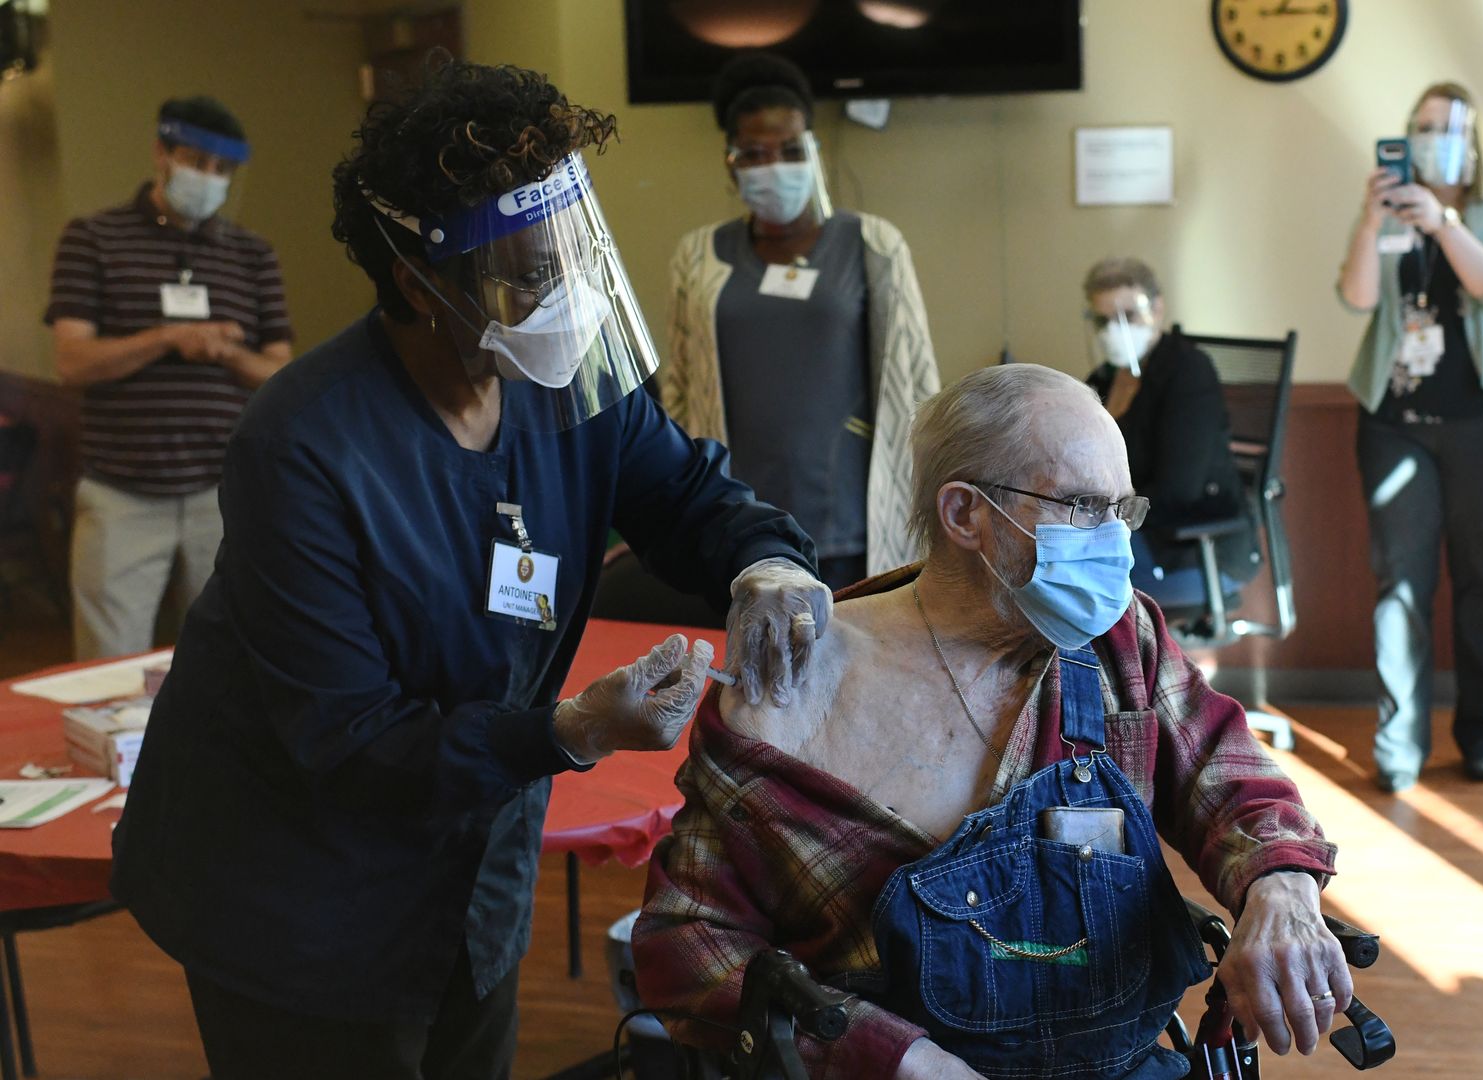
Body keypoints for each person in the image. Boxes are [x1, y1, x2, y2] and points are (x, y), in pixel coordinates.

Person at [111, 57, 833, 1079]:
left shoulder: (567, 384)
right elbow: (350, 743)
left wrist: (768, 565)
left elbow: (685, 496)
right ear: (419, 282)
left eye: (578, 258)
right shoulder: (307, 448)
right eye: (533, 275)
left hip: (474, 859)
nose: (570, 298)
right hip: (296, 890)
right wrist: (572, 729)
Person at [633, 365, 1346, 1080]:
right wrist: (891, 1058)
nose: (1117, 546)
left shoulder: (1119, 642)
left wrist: (1281, 890)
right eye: (1083, 506)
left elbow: (1233, 780)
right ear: (964, 514)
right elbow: (685, 943)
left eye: (1122, 511)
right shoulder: (793, 693)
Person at [658, 52, 940, 592]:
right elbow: (679, 391)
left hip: (852, 529)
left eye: (790, 150)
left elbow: (917, 381)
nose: (774, 167)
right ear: (731, 161)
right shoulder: (699, 256)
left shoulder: (873, 245)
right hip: (736, 527)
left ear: (812, 150)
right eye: (755, 154)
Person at [1335, 82, 1483, 794]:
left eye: (1445, 127)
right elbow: (1357, 298)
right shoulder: (1388, 208)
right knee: (1400, 587)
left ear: (1472, 135)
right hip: (1397, 427)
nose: (1431, 138)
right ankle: (1399, 745)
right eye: (1420, 126)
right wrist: (1371, 221)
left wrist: (1446, 221)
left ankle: (1482, 731)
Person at [45, 96, 292, 659]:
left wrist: (225, 353)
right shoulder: (92, 238)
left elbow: (279, 372)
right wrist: (166, 337)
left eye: (221, 169)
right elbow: (72, 362)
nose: (207, 178)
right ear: (161, 153)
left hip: (224, 492)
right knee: (110, 666)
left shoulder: (253, 255)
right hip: (120, 493)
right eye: (195, 161)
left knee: (229, 657)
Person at [1082, 256, 1257, 612]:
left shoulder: (1187, 371)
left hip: (1187, 546)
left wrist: (1102, 520)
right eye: (1103, 320)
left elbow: (1178, 490)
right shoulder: (1104, 378)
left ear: (1157, 309)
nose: (1115, 329)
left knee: (1066, 580)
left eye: (1127, 316)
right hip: (1126, 533)